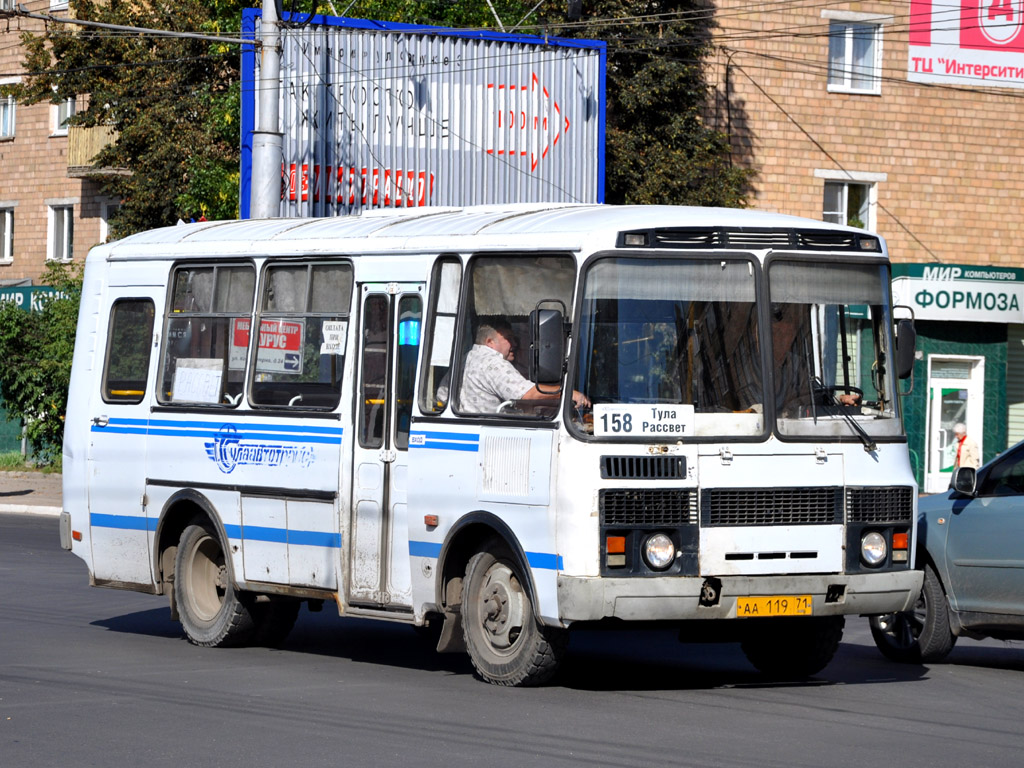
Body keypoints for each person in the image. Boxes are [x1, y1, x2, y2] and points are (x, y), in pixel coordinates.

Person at [458, 323, 590, 413]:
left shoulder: (466, 358)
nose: (515, 344)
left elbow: (442, 396)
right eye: (509, 339)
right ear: (489, 342)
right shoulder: (493, 363)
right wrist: (568, 393)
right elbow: (526, 394)